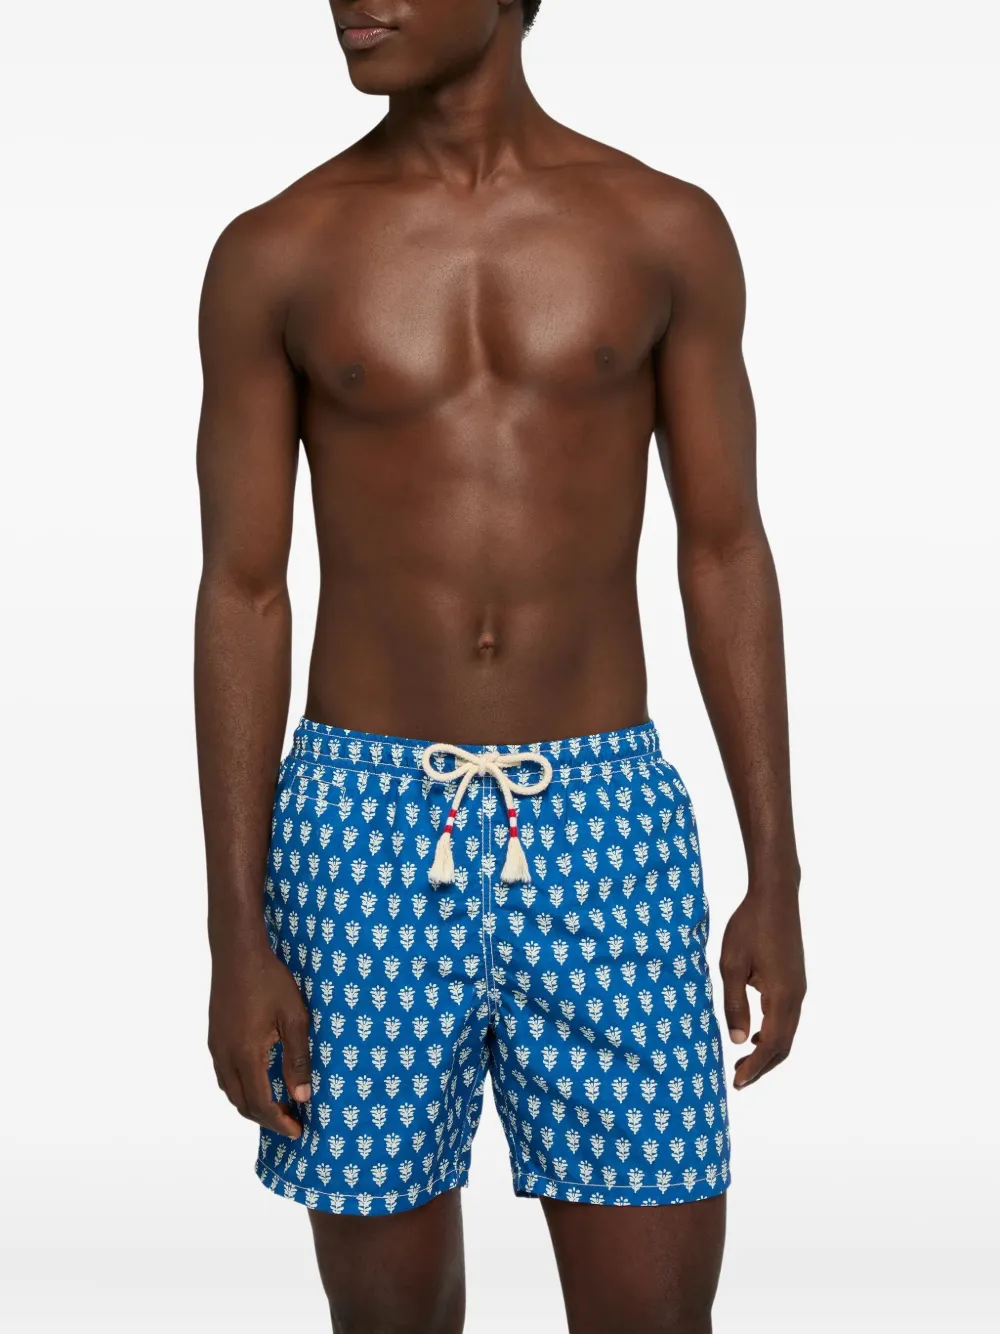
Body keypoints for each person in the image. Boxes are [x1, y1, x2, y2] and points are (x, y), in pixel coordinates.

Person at [194, 2, 806, 1330]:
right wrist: (234, 933)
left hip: (603, 820)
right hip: (357, 827)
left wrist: (778, 870)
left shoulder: (661, 230)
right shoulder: (276, 252)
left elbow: (724, 549)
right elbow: (243, 591)